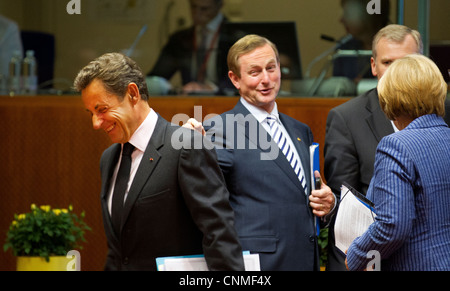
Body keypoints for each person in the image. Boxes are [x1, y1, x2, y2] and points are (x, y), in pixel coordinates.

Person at [73, 52, 244, 271]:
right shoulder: (108, 159)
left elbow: (220, 234)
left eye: (102, 110)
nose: (96, 123)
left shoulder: (184, 145)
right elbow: (118, 253)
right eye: (91, 113)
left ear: (133, 94)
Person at [203, 34, 336, 271]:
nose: (266, 79)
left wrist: (327, 204)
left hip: (306, 260)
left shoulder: (300, 130)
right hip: (259, 265)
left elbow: (301, 194)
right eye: (255, 72)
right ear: (235, 79)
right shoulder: (220, 130)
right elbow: (208, 209)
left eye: (271, 68)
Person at [324, 24, 450, 271]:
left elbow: (393, 225)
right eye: (389, 63)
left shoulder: (396, 145)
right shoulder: (445, 135)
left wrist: (359, 255)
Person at [148, 0, 233, 95]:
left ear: (219, 5)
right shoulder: (179, 39)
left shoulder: (236, 37)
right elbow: (157, 76)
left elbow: (243, 76)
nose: (197, 13)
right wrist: (165, 87)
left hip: (225, 101)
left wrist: (214, 88)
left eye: (204, 9)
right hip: (189, 100)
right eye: (193, 7)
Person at [333, 0, 391, 83]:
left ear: (367, 16)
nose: (341, 20)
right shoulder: (344, 48)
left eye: (348, 14)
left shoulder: (397, 46)